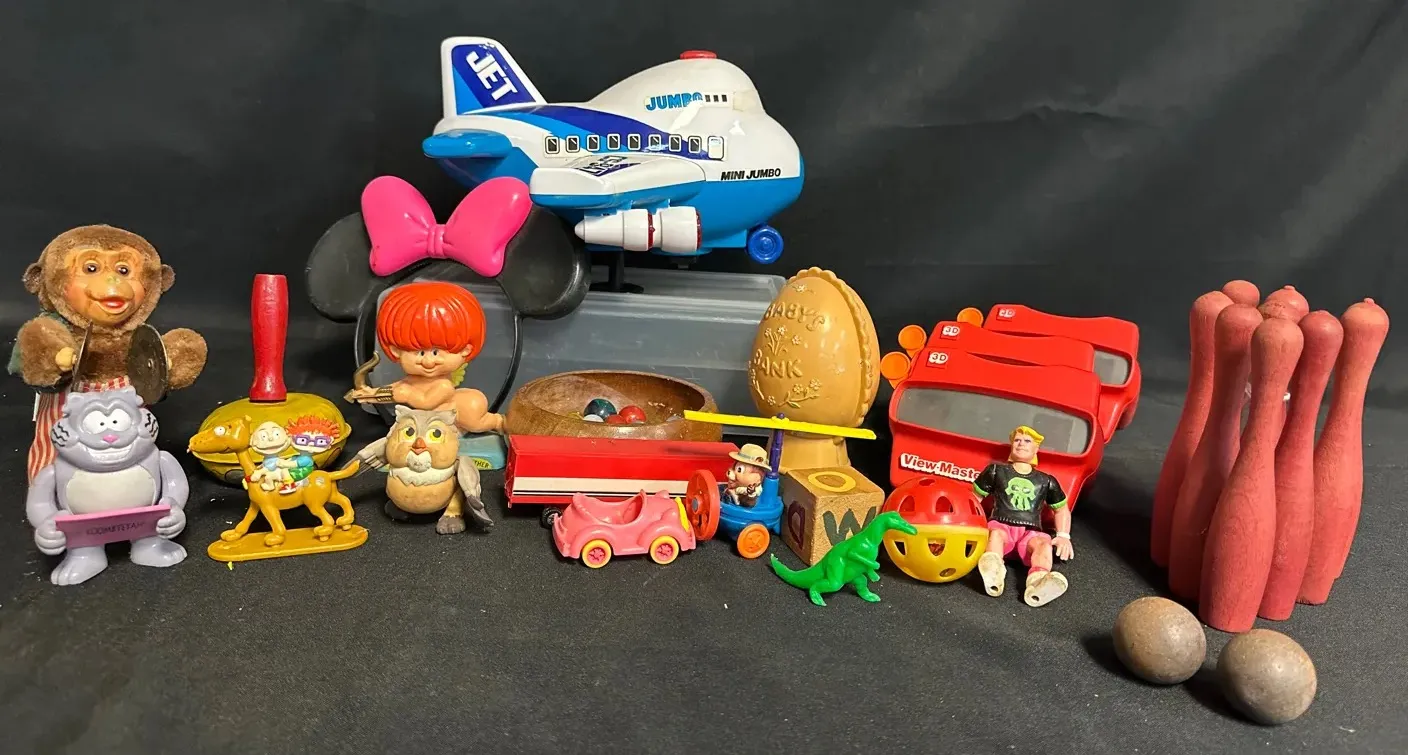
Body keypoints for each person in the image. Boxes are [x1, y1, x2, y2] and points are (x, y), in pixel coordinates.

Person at [344, 282, 503, 435]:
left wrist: (406, 394)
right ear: (396, 351)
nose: (428, 362)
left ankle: (499, 423)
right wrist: (372, 394)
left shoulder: (443, 386)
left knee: (475, 424)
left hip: (450, 418)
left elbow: (426, 402)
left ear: (465, 350)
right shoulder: (412, 381)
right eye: (419, 353)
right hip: (430, 424)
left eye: (436, 352)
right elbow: (395, 389)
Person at [972, 425, 1074, 607]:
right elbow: (974, 498)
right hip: (1001, 526)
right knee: (995, 535)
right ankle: (993, 572)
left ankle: (1038, 583)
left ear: (1036, 448)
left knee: (1043, 545)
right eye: (1017, 440)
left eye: (1027, 441)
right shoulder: (996, 471)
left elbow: (1061, 509)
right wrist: (967, 522)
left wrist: (1063, 536)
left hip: (1030, 533)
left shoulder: (1046, 481)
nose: (1021, 444)